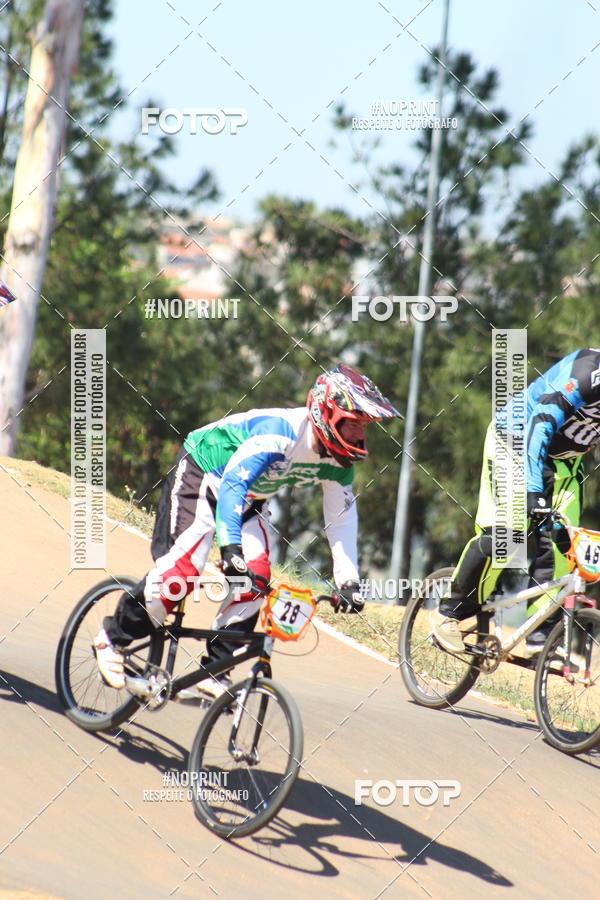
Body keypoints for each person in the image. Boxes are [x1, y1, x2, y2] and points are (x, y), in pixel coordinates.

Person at [94, 364, 402, 694]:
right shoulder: (279, 434)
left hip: (249, 500)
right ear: (325, 412)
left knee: (255, 578)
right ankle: (112, 638)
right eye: (353, 424)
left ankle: (215, 669)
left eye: (364, 427)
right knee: (180, 575)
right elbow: (233, 484)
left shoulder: (337, 464)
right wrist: (230, 548)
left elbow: (340, 519)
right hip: (204, 476)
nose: (359, 435)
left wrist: (348, 581)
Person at [433, 348, 600, 654]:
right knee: (508, 536)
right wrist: (533, 491)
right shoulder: (588, 370)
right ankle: (450, 611)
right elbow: (542, 425)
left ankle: (541, 639)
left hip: (565, 463)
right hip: (516, 440)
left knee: (567, 547)